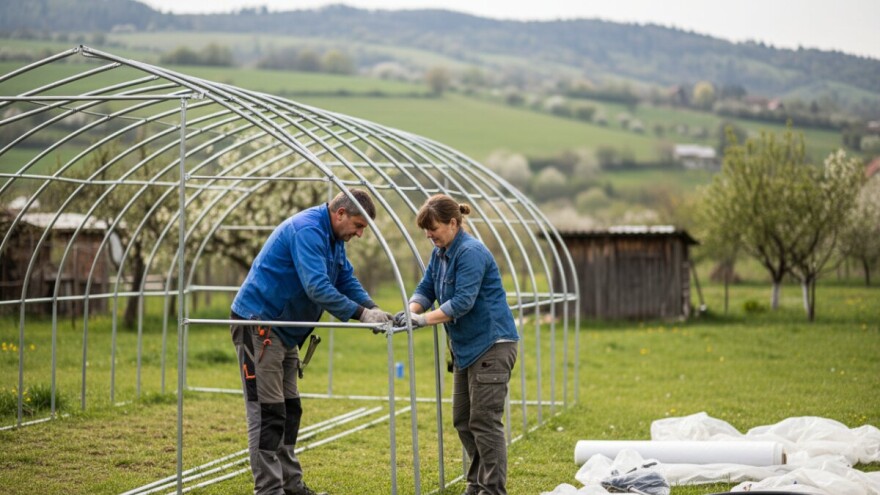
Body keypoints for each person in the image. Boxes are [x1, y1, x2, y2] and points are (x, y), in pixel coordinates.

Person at [230, 188, 392, 495]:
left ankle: (291, 486)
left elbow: (344, 279)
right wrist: (361, 315)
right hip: (259, 324)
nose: (359, 234)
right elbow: (317, 286)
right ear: (340, 213)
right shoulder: (307, 230)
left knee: (290, 409)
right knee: (268, 412)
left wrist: (372, 308)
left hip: (285, 330)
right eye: (358, 226)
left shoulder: (333, 238)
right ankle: (269, 490)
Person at [393, 194, 519, 495]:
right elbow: (426, 288)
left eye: (433, 228)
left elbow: (462, 302)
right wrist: (410, 312)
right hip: (466, 349)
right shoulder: (440, 253)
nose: (429, 235)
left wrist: (422, 321)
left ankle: (492, 490)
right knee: (463, 419)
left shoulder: (471, 252)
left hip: (491, 344)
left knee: (485, 422)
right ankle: (476, 484)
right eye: (426, 230)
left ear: (453, 223)